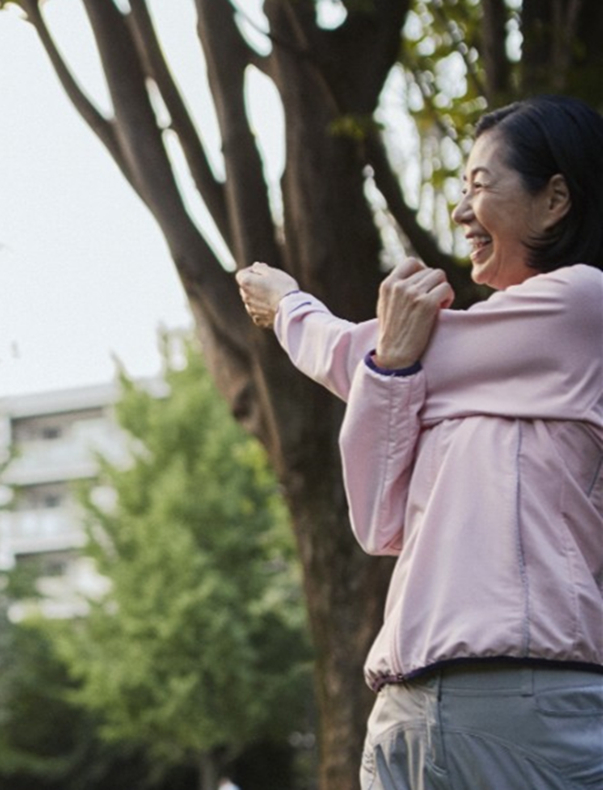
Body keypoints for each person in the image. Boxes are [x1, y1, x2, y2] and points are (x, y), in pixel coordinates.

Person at [238, 95, 603, 789]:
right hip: (402, 713)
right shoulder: (469, 384)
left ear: (556, 199)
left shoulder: (584, 308)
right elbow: (379, 523)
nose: (461, 211)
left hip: (523, 705)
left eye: (479, 185)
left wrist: (291, 307)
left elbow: (348, 350)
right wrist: (392, 370)